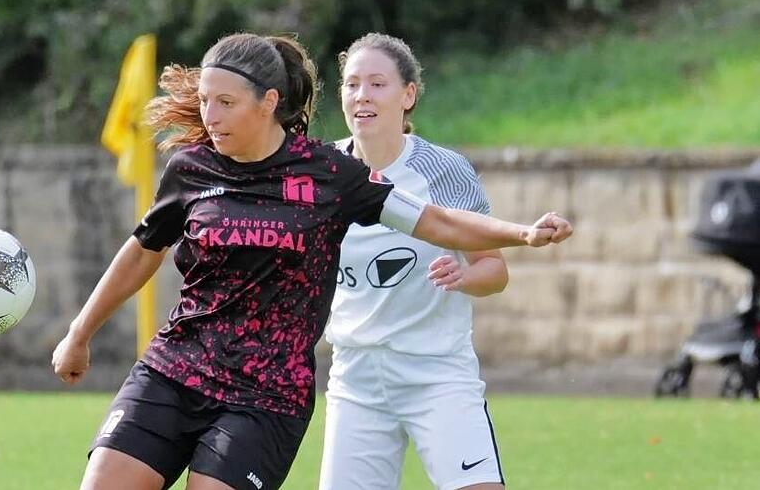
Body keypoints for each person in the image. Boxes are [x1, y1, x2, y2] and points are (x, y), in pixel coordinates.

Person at [51, 32, 572, 490]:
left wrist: (522, 234)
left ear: (268, 101)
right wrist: (80, 332)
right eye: (206, 101)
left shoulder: (330, 174)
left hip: (268, 393)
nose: (209, 116)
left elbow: (436, 221)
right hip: (178, 370)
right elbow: (143, 249)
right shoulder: (191, 168)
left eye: (225, 102)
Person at [319, 32, 514, 490]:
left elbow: (495, 269)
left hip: (437, 375)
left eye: (377, 83)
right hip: (355, 380)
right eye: (351, 84)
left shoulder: (444, 170)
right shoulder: (322, 169)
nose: (362, 95)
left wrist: (464, 277)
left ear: (408, 95)